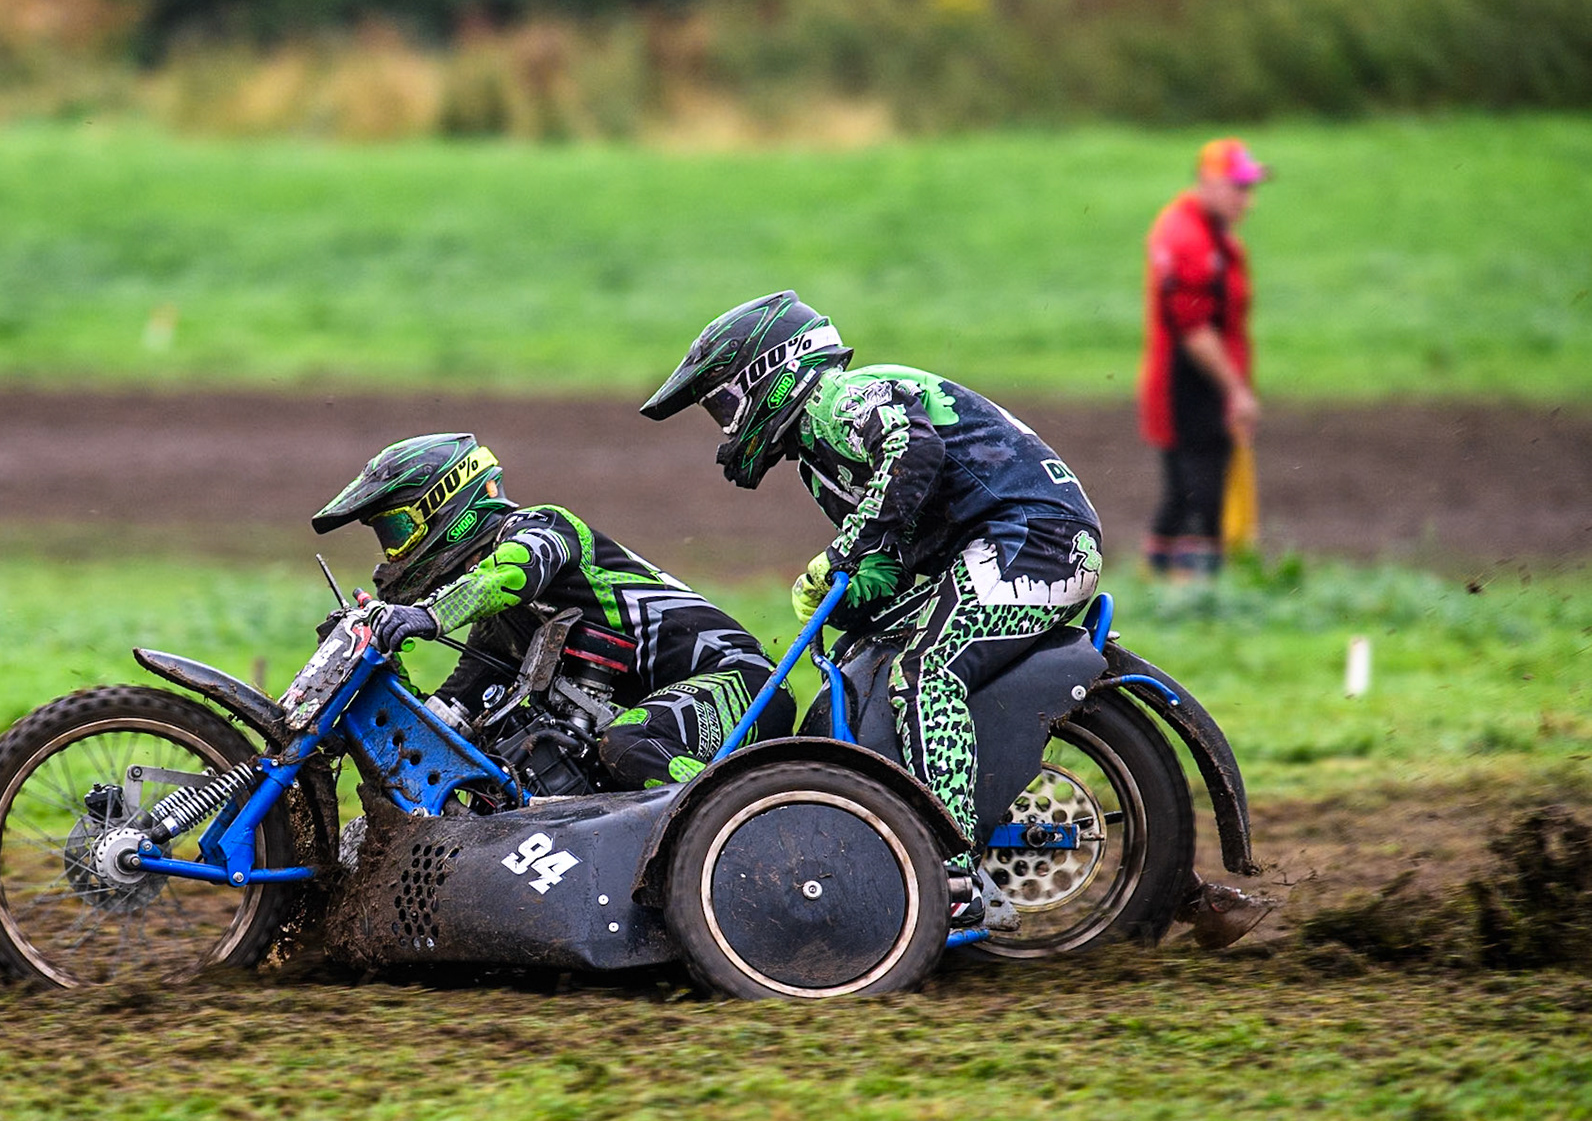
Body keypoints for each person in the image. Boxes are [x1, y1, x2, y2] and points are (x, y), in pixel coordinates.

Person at [640, 291, 1103, 911]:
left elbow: (914, 452)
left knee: (925, 672)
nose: (724, 424)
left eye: (724, 401)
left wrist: (843, 552)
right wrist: (853, 593)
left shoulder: (847, 395)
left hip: (1039, 540)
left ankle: (955, 871)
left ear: (771, 373)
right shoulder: (817, 460)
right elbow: (894, 558)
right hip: (999, 545)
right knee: (867, 653)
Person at [310, 433, 794, 791]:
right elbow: (443, 729)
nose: (392, 553)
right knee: (497, 778)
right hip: (676, 709)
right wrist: (376, 689)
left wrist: (429, 615)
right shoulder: (500, 629)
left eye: (396, 530)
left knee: (626, 746)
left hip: (743, 682)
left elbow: (511, 572)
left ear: (445, 505)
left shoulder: (542, 527)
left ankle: (760, 826)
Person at [1137, 137, 1268, 578]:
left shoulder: (1214, 236)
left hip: (1207, 388)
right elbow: (1194, 331)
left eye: (1250, 189)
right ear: (1209, 183)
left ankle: (1178, 593)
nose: (1247, 200)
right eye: (1239, 187)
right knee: (1195, 496)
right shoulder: (1186, 236)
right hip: (1185, 387)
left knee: (1195, 496)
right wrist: (1237, 391)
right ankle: (1184, 595)